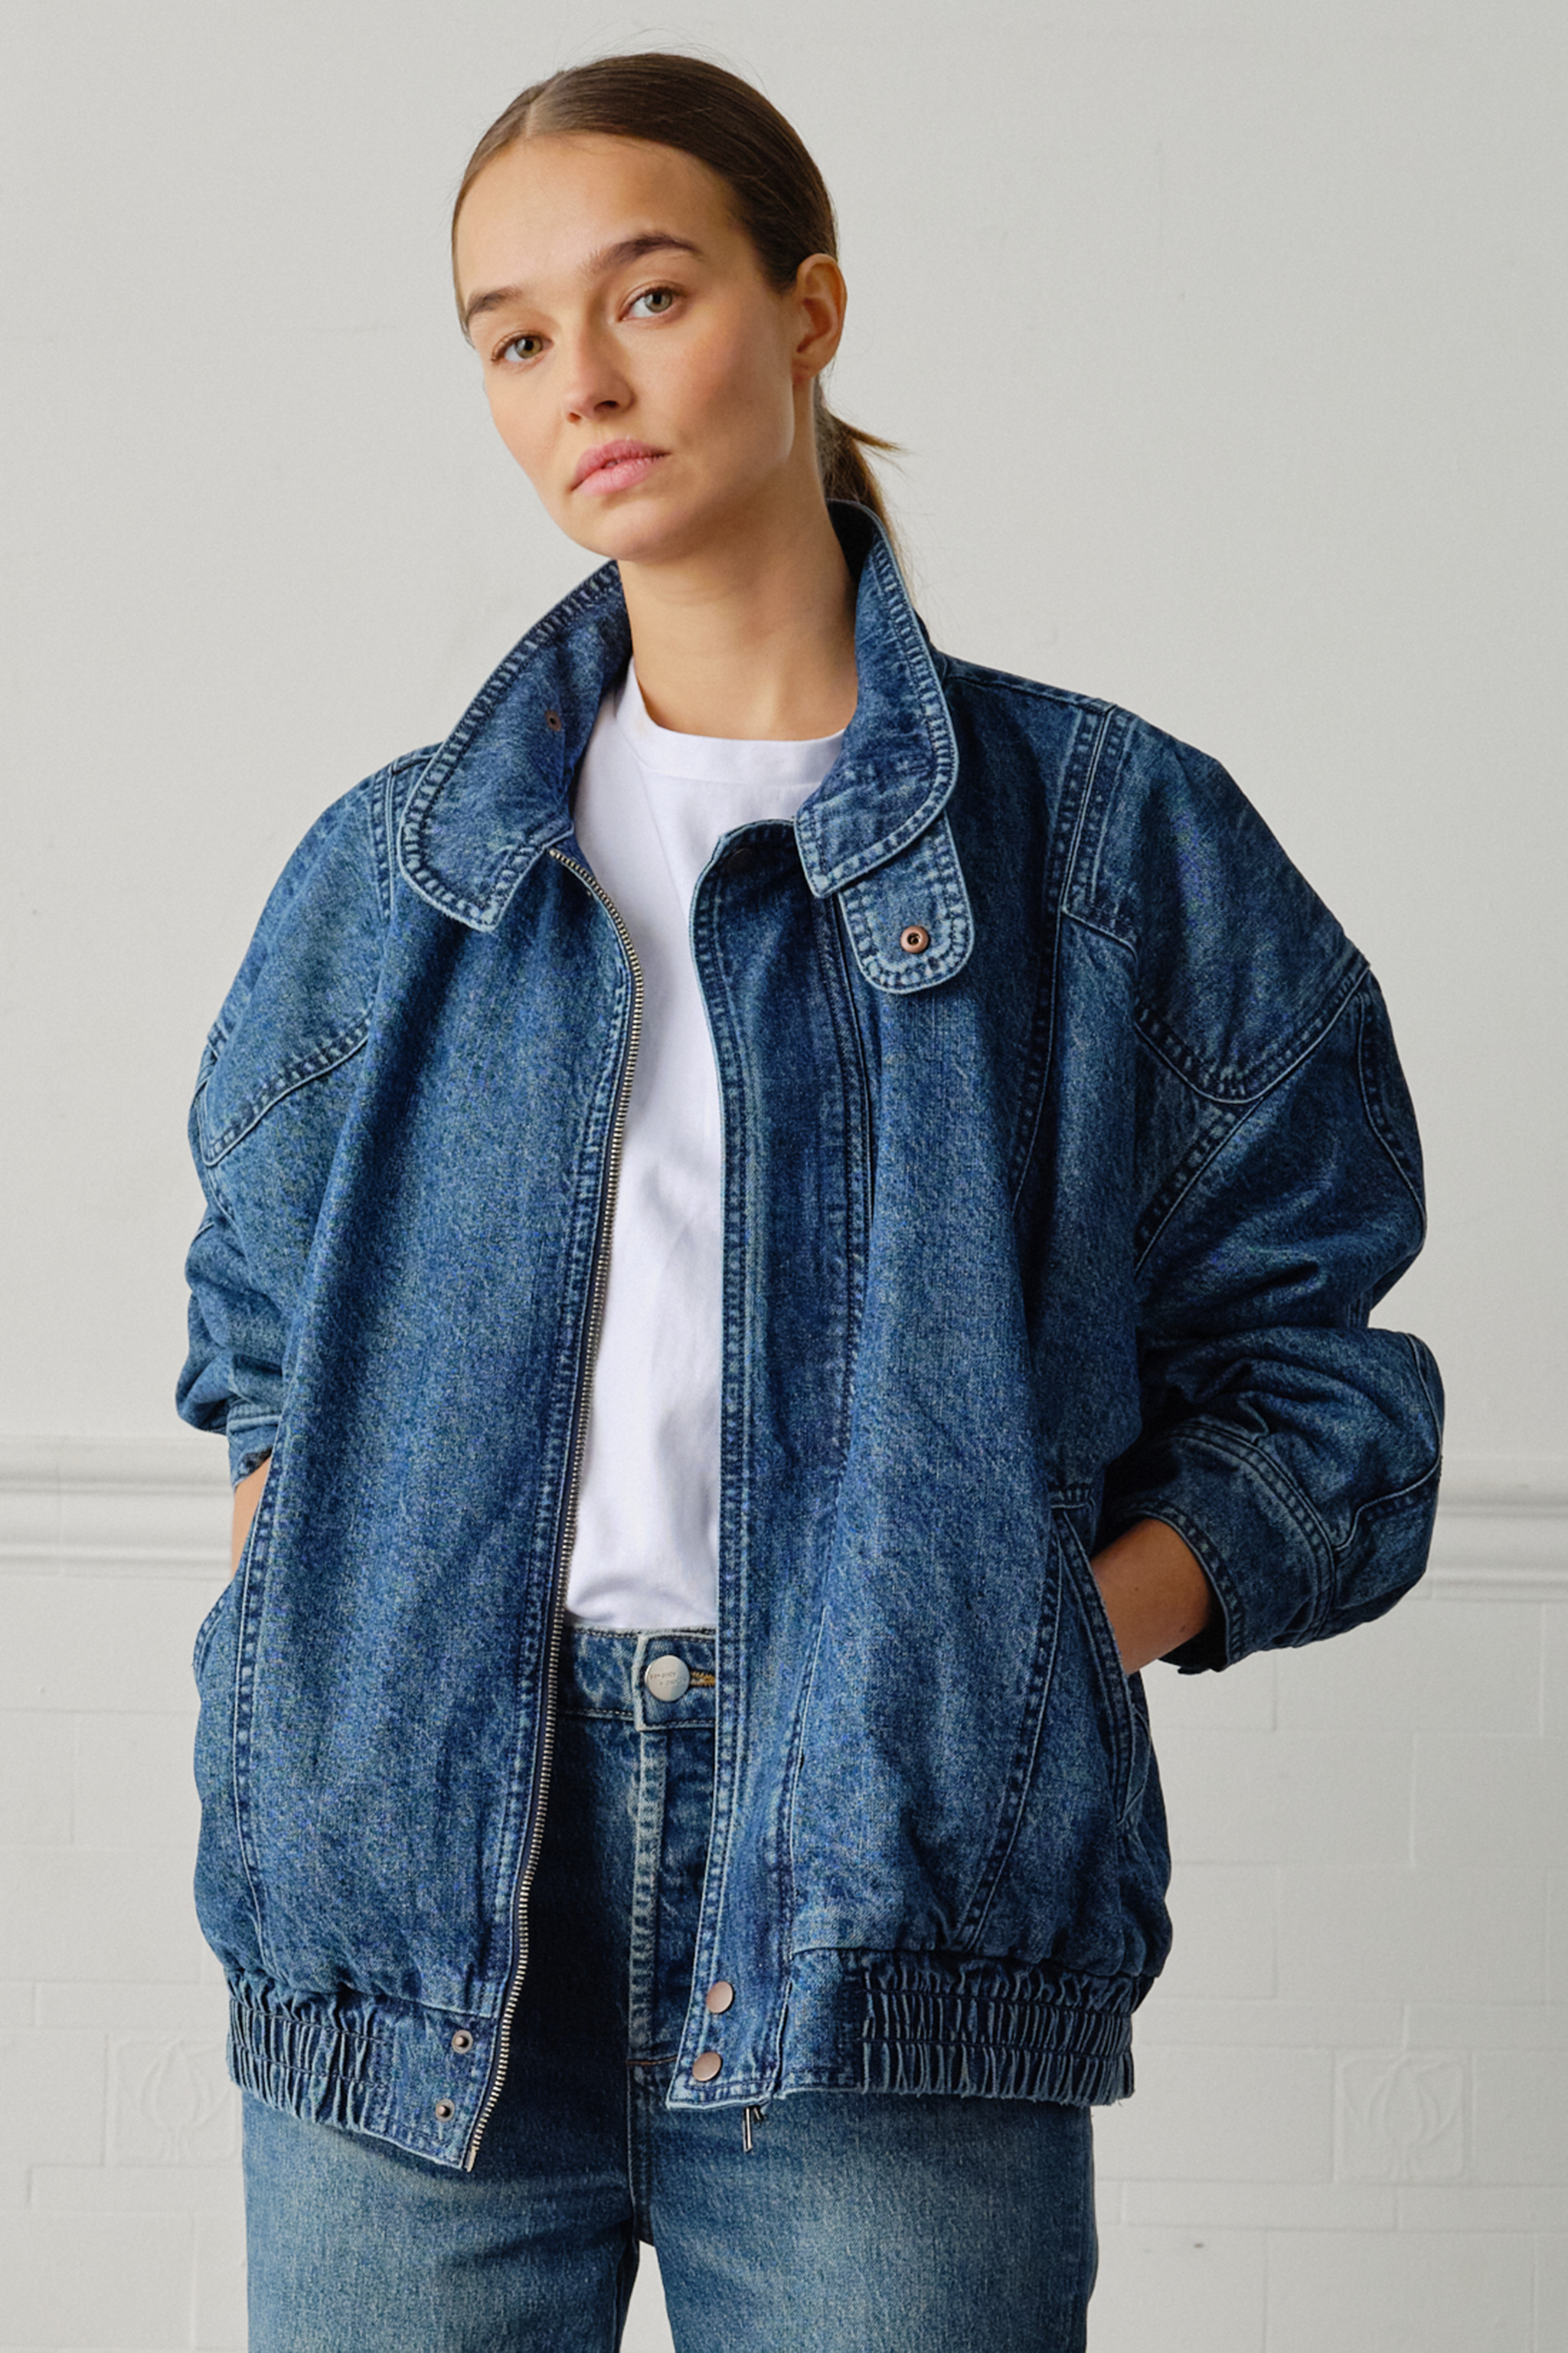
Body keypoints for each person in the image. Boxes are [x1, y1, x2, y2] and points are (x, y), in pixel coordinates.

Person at [176, 49, 1443, 2353]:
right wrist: (299, 1618)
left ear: (810, 306)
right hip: (416, 1907)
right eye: (515, 335)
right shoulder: (399, 880)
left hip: (893, 1900)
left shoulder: (1106, 848)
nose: (587, 380)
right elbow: (257, 1338)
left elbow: (1322, 1387)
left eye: (650, 294)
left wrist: (1043, 1646)